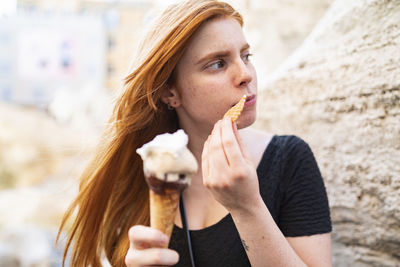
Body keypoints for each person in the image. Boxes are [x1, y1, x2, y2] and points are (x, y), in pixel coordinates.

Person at [58, 0, 332, 266]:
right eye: (217, 64)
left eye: (246, 56)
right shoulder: (140, 180)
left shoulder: (289, 160)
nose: (245, 74)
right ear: (170, 92)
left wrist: (247, 207)